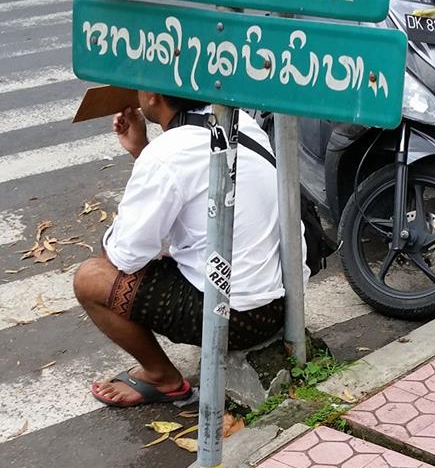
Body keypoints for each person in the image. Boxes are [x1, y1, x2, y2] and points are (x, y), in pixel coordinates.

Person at [74, 92, 309, 408]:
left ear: (153, 97)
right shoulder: (237, 118)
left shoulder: (165, 155)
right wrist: (140, 150)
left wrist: (145, 157)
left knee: (90, 279)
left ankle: (162, 377)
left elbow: (125, 256)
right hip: (284, 304)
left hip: (235, 318)